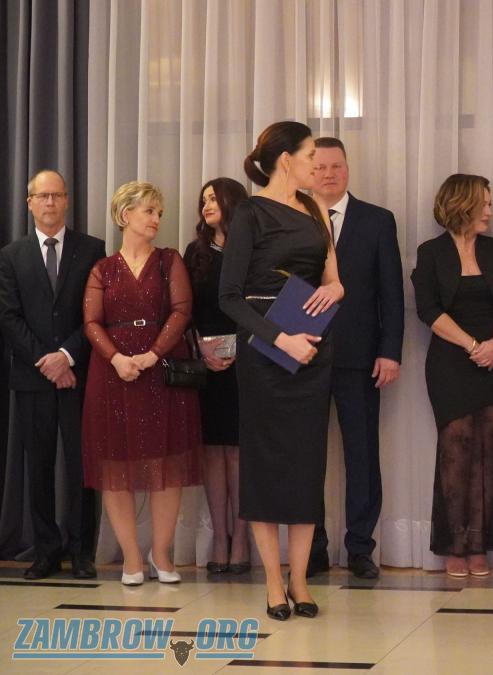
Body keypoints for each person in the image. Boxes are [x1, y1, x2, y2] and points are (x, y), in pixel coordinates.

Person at [219, 121, 344, 621]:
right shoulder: (249, 212)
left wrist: (335, 289)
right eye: (311, 154)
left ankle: (299, 579)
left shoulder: (316, 210)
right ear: (286, 160)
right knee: (267, 465)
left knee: (307, 465)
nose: (318, 164)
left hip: (313, 348)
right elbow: (229, 297)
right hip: (265, 353)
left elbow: (334, 279)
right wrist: (280, 338)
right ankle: (273, 581)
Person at [81, 181, 203, 586]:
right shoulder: (102, 269)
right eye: (149, 211)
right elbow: (91, 322)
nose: (156, 219)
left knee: (166, 463)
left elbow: (182, 311)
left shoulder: (170, 260)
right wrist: (116, 359)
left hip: (161, 370)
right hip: (112, 373)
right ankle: (132, 557)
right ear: (125, 215)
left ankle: (161, 553)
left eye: (159, 213)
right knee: (115, 465)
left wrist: (153, 354)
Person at [307, 137, 405, 580]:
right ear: (308, 172)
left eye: (336, 166)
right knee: (306, 456)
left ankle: (361, 547)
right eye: (320, 167)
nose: (328, 174)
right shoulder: (293, 218)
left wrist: (390, 351)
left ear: (348, 169)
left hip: (360, 356)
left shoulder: (377, 220)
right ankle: (312, 548)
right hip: (303, 354)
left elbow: (391, 293)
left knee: (362, 454)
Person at [0, 170, 106, 580]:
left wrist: (66, 356)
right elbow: (9, 318)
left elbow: (96, 314)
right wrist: (47, 361)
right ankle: (46, 551)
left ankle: (81, 551)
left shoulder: (92, 249)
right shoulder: (11, 255)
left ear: (66, 201)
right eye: (42, 196)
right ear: (29, 203)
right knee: (39, 466)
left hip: (79, 375)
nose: (49, 203)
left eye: (57, 195)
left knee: (82, 465)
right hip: (33, 378)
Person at [411, 174, 493, 579]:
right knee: (456, 450)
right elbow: (428, 310)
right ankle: (454, 544)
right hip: (450, 362)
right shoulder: (431, 252)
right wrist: (472, 345)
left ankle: (480, 545)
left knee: (489, 451)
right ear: (462, 204)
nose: (490, 210)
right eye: (484, 203)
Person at [184, 177, 251, 575]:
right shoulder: (195, 252)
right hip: (207, 363)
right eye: (203, 199)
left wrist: (244, 346)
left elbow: (262, 304)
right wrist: (201, 348)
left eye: (214, 198)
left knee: (239, 451)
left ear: (232, 202)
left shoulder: (253, 248)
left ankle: (241, 537)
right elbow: (184, 310)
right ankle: (219, 538)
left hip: (248, 361)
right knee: (212, 450)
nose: (207, 205)